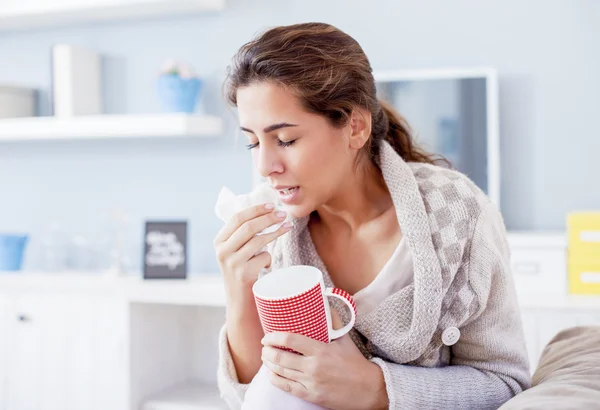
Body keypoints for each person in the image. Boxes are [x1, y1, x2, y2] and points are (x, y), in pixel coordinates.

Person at [214, 22, 530, 410]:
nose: (265, 166)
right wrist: (238, 290)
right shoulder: (272, 233)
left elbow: (506, 383)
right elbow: (248, 394)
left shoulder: (458, 214)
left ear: (355, 126)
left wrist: (376, 389)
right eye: (252, 142)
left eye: (286, 140)